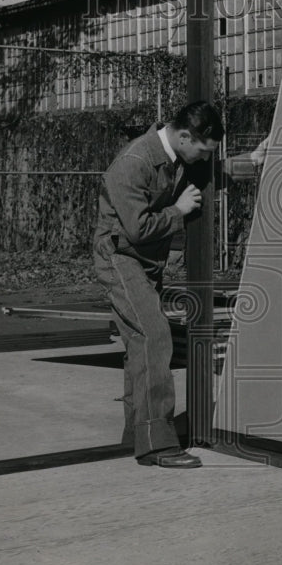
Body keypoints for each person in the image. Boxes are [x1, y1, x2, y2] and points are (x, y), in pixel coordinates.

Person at [93, 101, 224, 469]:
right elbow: (137, 229)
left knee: (140, 345)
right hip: (120, 258)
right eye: (204, 150)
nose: (205, 159)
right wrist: (179, 211)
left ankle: (137, 438)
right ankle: (159, 444)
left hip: (145, 263)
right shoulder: (133, 162)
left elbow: (215, 174)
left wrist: (255, 161)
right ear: (185, 136)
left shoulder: (178, 156)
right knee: (154, 335)